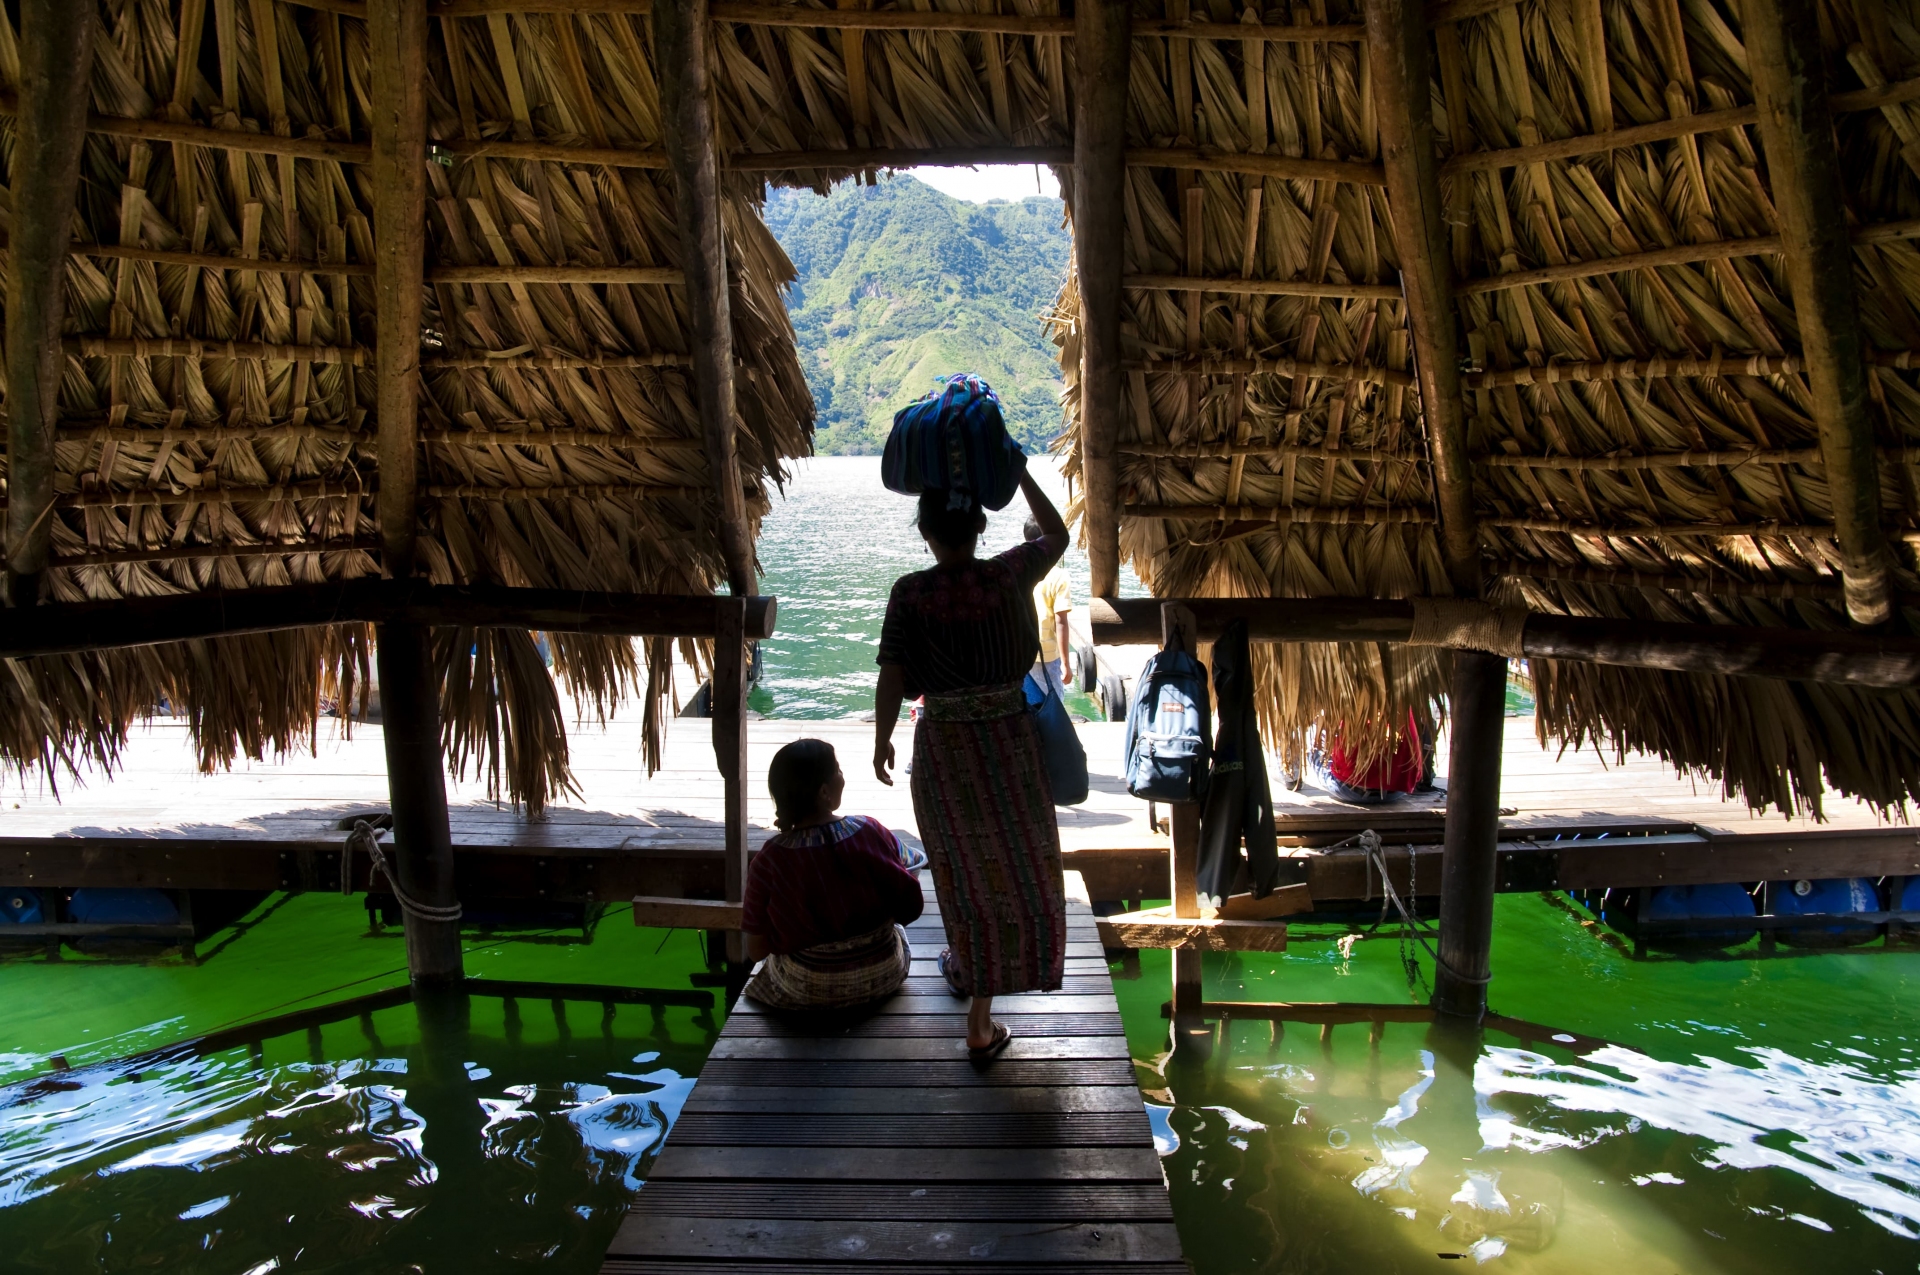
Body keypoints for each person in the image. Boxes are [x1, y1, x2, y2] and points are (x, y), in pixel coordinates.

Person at [873, 470, 1071, 1063]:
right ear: (980, 526)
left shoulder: (910, 593)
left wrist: (882, 738)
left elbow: (892, 676)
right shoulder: (1008, 573)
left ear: (925, 533)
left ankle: (973, 987)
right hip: (1010, 740)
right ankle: (999, 992)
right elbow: (1059, 535)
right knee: (1021, 859)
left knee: (962, 869)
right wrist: (1022, 473)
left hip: (946, 747)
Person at [740, 739, 925, 1010]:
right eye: (838, 770)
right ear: (825, 792)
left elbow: (756, 950)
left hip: (808, 988)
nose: (843, 776)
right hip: (883, 974)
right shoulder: (869, 831)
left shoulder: (769, 859)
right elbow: (910, 906)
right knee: (896, 932)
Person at [1026, 518, 1073, 697]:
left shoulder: (1022, 571)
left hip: (1025, 651)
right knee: (1053, 704)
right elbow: (1060, 622)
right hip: (1049, 655)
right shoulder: (1059, 576)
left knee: (1030, 704)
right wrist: (1066, 663)